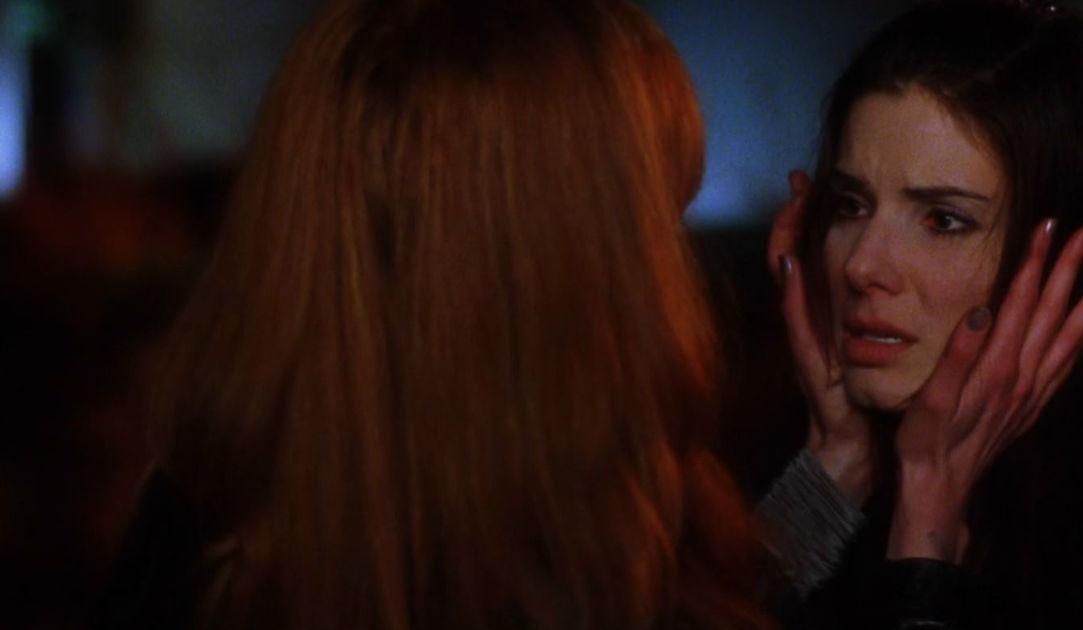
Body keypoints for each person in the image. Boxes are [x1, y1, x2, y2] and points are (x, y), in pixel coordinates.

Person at [91, 0, 772, 627]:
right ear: (555, 272)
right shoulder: (587, 533)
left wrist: (823, 477)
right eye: (651, 219)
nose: (669, 271)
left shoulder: (207, 523)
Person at [762, 0, 1083, 628]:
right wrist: (837, 461)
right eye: (851, 205)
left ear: (1069, 261)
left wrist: (924, 541)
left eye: (943, 219)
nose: (860, 266)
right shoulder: (792, 454)